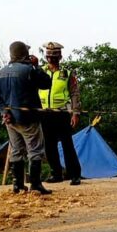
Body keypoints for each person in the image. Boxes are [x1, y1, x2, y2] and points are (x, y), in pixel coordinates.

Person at [0, 41, 53, 195]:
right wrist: (36, 66)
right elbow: (47, 83)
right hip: (28, 118)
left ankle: (18, 185)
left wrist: (3, 113)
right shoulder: (28, 70)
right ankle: (35, 184)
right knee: (35, 150)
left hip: (9, 119)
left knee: (16, 150)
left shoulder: (1, 72)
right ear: (24, 53)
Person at [38, 41, 82, 185]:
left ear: (60, 57)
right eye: (49, 55)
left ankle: (75, 175)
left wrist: (75, 113)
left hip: (62, 113)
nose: (51, 59)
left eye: (54, 56)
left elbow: (75, 94)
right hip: (44, 113)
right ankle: (56, 174)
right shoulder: (40, 72)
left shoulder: (67, 74)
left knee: (67, 145)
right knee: (49, 146)